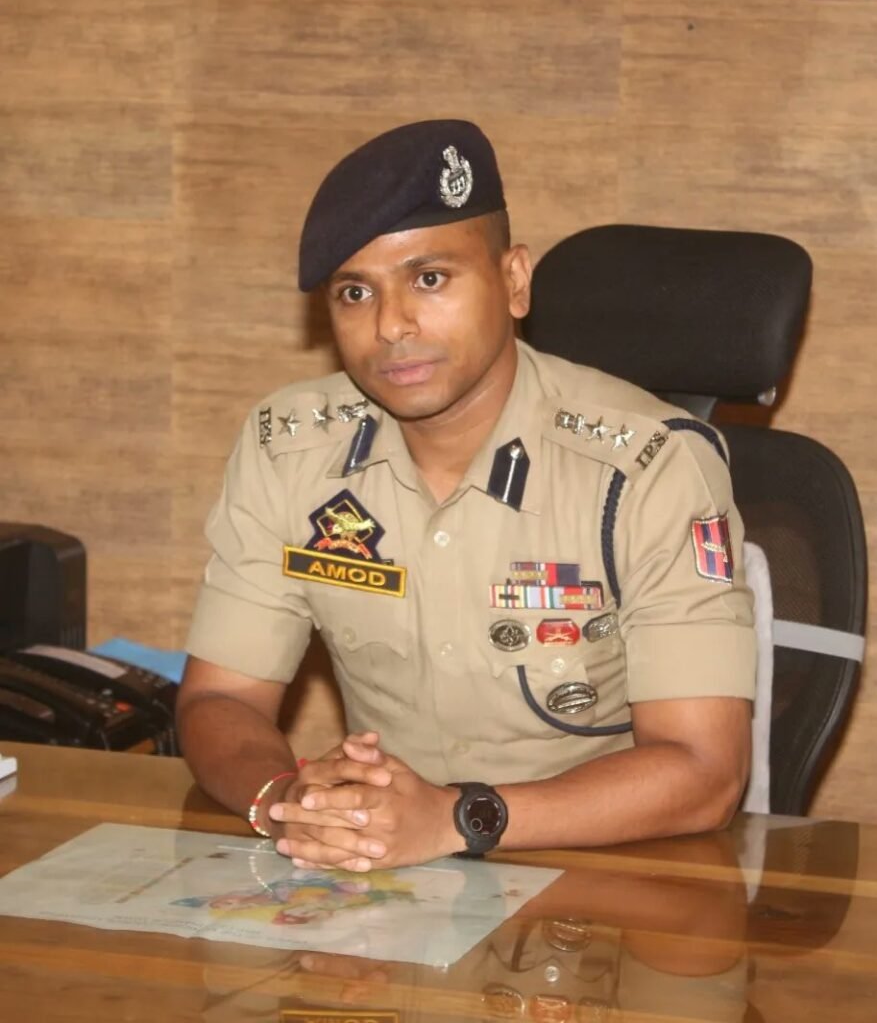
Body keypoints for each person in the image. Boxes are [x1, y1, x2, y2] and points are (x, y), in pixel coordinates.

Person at [177, 119, 756, 873]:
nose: (391, 326)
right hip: (386, 875)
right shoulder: (288, 449)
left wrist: (456, 819)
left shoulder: (650, 465)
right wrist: (291, 802)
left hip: (604, 877)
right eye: (355, 292)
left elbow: (705, 772)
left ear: (514, 282)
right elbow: (219, 700)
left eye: (429, 279)